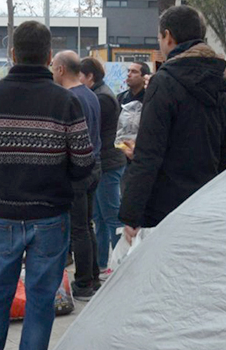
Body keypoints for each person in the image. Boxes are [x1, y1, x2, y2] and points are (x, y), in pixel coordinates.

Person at [0, 21, 94, 350]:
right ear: (49, 57)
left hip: (3, 212)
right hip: (50, 215)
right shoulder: (66, 101)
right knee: (40, 298)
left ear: (13, 54)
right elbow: (84, 160)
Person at [119, 6, 226, 243]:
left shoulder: (165, 81)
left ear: (168, 36)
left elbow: (149, 155)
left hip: (164, 206)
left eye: (160, 38)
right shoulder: (222, 78)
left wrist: (131, 213)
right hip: (205, 200)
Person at [52, 50, 102, 300]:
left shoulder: (69, 99)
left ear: (61, 69)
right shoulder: (90, 94)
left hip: (78, 173)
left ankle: (83, 283)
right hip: (94, 167)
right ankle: (92, 277)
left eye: (53, 67)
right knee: (87, 226)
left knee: (79, 229)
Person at [79, 57, 124, 279]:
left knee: (111, 216)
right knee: (100, 218)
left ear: (90, 77)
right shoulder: (100, 94)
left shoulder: (102, 97)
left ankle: (120, 264)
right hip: (103, 163)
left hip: (108, 163)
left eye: (80, 76)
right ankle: (102, 264)